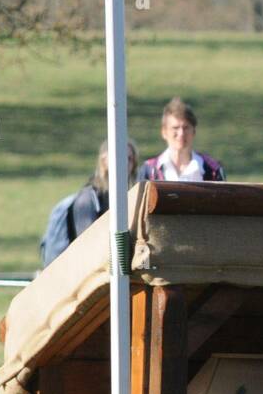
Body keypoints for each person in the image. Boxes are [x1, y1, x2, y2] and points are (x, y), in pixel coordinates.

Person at [38, 138, 139, 267]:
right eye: (118, 156)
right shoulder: (88, 198)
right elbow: (87, 242)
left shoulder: (133, 194)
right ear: (104, 160)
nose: (124, 162)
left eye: (129, 159)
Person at [138, 97, 225, 182]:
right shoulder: (149, 171)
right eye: (175, 128)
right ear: (164, 132)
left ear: (194, 131)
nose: (181, 133)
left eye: (186, 127)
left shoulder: (212, 170)